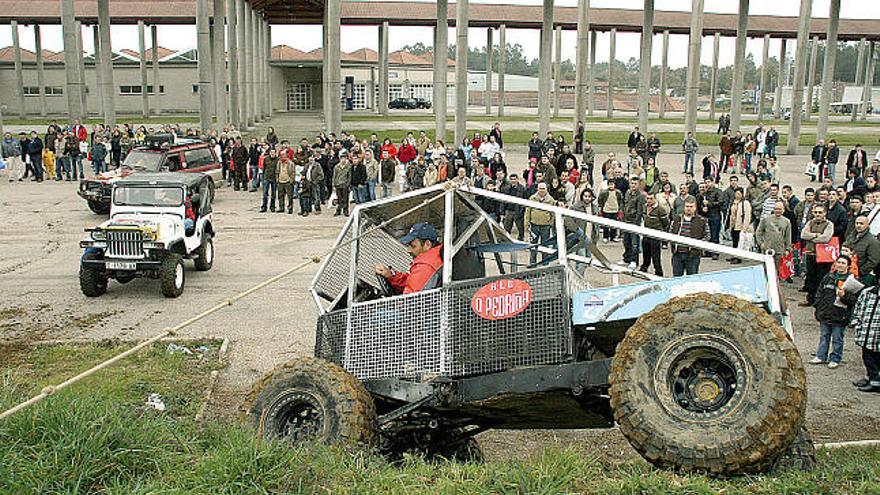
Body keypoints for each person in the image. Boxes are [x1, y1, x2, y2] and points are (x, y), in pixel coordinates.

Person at [811, 255, 859, 369]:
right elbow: (819, 292)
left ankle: (835, 358)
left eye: (843, 263)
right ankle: (821, 356)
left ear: (848, 266)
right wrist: (818, 305)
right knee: (824, 336)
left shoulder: (852, 281)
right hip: (825, 312)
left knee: (837, 338)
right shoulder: (828, 277)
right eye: (839, 262)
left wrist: (844, 296)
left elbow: (854, 300)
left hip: (840, 315)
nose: (840, 265)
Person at [374, 222, 443, 295]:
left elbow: (408, 301)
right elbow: (411, 282)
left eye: (413, 246)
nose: (408, 250)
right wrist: (391, 275)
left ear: (427, 244)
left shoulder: (426, 266)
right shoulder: (435, 258)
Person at [800, 205, 834, 307]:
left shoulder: (829, 224)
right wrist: (817, 235)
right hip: (810, 254)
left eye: (820, 212)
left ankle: (819, 301)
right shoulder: (810, 222)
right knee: (810, 278)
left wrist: (811, 237)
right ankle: (810, 299)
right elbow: (803, 234)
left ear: (824, 213)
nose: (818, 214)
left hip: (823, 256)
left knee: (821, 279)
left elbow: (825, 238)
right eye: (816, 212)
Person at [669, 197, 710, 276]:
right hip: (677, 254)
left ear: (695, 208)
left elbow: (707, 236)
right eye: (687, 206)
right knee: (676, 279)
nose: (689, 209)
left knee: (691, 281)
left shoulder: (702, 220)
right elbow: (670, 233)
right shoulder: (676, 219)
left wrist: (698, 246)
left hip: (693, 256)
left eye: (691, 207)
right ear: (684, 207)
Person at [850, 282, 880, 393]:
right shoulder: (868, 292)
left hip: (877, 334)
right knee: (866, 356)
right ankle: (869, 377)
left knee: (875, 358)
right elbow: (858, 307)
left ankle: (875, 381)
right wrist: (857, 321)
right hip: (866, 331)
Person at [525, 182, 556, 266]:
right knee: (533, 245)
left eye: (543, 188)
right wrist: (526, 223)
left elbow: (553, 214)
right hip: (534, 225)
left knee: (545, 246)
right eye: (540, 188)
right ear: (537, 189)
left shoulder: (551, 200)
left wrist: (550, 224)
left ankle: (545, 263)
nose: (542, 190)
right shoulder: (532, 198)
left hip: (545, 227)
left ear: (546, 189)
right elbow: (528, 211)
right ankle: (532, 263)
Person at [845, 215, 880, 285]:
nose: (858, 225)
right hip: (845, 271)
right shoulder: (851, 236)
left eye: (861, 223)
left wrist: (860, 271)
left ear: (867, 225)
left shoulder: (872, 241)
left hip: (860, 276)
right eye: (857, 223)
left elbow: (874, 260)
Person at [756, 201, 792, 269]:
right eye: (776, 209)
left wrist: (788, 249)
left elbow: (788, 236)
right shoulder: (766, 219)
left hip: (780, 251)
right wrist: (761, 243)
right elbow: (758, 232)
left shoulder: (787, 222)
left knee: (779, 270)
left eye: (779, 209)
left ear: (783, 210)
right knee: (767, 269)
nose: (777, 211)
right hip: (767, 249)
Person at [641, 194, 669, 276]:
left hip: (655, 235)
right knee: (646, 253)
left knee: (655, 255)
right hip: (646, 234)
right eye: (647, 198)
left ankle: (658, 271)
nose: (649, 200)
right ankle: (644, 267)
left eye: (651, 199)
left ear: (655, 199)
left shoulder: (660, 210)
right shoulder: (645, 207)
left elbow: (666, 223)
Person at [622, 176, 646, 269]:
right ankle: (626, 258)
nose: (633, 185)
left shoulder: (641, 196)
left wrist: (636, 223)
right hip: (626, 221)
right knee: (626, 241)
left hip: (634, 222)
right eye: (632, 183)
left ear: (638, 185)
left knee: (634, 243)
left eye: (635, 184)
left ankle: (634, 260)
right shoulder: (627, 193)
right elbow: (624, 205)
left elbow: (640, 211)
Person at [500, 173, 528, 241]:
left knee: (520, 228)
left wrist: (522, 211)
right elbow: (503, 201)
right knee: (507, 228)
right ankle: (507, 240)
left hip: (518, 211)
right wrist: (502, 212)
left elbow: (525, 200)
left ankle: (521, 240)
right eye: (512, 179)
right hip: (508, 211)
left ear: (517, 179)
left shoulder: (522, 188)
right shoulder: (506, 188)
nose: (513, 181)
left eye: (514, 179)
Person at [332, 152, 352, 216]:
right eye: (342, 158)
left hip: (345, 184)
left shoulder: (349, 166)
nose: (343, 160)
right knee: (339, 199)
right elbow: (334, 176)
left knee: (345, 199)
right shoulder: (336, 167)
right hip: (338, 184)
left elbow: (349, 177)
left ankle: (346, 211)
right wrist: (334, 185)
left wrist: (348, 184)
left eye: (344, 158)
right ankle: (338, 210)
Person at [260, 148, 278, 213]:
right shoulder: (266, 158)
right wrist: (263, 176)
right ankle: (264, 207)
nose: (272, 154)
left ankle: (272, 207)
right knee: (265, 193)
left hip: (274, 178)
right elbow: (264, 168)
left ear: (275, 153)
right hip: (267, 177)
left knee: (273, 194)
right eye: (271, 152)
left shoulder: (277, 160)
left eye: (273, 152)